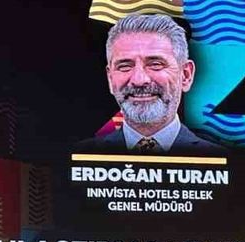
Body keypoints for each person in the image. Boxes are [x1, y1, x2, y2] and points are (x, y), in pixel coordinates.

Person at [77, 13, 224, 154]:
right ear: (110, 78)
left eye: (155, 64)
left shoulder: (221, 159)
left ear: (186, 75)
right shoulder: (80, 156)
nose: (139, 80)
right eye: (125, 66)